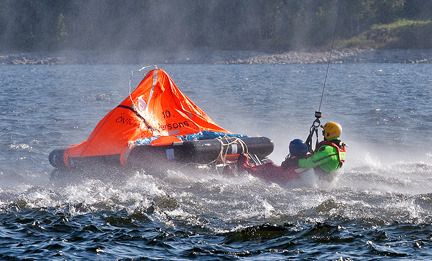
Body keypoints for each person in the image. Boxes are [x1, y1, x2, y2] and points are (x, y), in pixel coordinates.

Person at [237, 121, 346, 183]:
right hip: (316, 176)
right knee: (271, 166)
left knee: (269, 167)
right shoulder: (339, 148)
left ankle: (245, 167)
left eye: (324, 132)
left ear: (328, 134)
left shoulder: (329, 150)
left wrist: (295, 162)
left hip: (303, 176)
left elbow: (311, 162)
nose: (323, 133)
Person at [237, 139, 309, 183]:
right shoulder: (305, 161)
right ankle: (253, 164)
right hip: (283, 176)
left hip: (279, 176)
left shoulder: (294, 161)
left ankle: (245, 164)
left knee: (267, 167)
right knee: (268, 164)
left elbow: (284, 168)